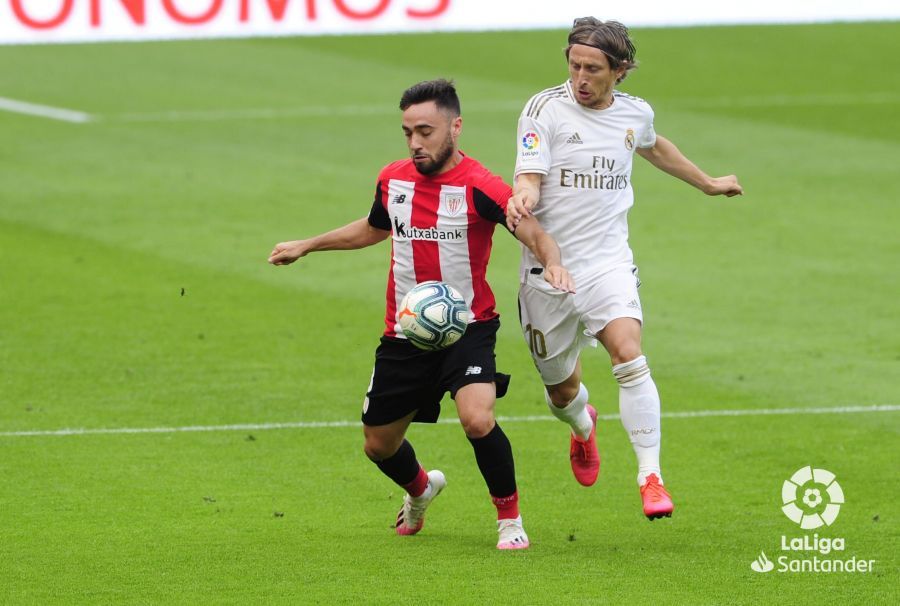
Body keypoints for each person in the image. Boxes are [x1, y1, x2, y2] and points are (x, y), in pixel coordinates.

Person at [269, 79, 574, 549]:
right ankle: (421, 489)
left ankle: (509, 521)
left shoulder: (480, 185)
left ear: (455, 126)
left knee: (477, 419)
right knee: (378, 444)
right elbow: (373, 229)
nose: (415, 143)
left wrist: (551, 262)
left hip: (467, 326)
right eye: (408, 132)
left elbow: (534, 233)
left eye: (425, 131)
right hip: (405, 332)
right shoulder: (392, 179)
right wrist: (308, 245)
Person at [506, 18, 743, 520]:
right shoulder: (544, 109)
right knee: (561, 390)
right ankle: (582, 426)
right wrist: (522, 198)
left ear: (619, 70)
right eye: (574, 66)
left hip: (607, 264)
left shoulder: (634, 114)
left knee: (629, 354)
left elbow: (654, 145)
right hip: (548, 274)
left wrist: (707, 183)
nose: (580, 78)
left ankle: (650, 477)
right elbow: (528, 174)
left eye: (593, 69)